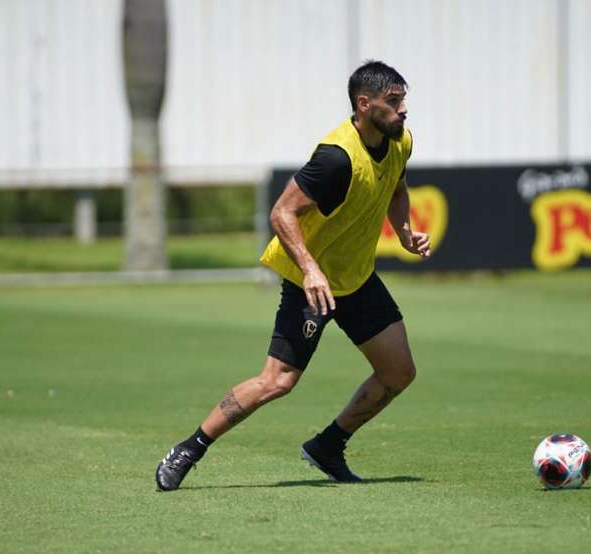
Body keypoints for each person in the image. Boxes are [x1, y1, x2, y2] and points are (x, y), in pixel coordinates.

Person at [155, 60, 430, 490]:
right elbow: (281, 212)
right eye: (393, 102)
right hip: (311, 283)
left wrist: (406, 230)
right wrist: (310, 269)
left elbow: (396, 186)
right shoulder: (336, 158)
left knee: (399, 372)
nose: (403, 110)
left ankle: (328, 446)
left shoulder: (400, 142)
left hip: (356, 279)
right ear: (364, 104)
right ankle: (190, 448)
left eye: (403, 100)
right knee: (277, 381)